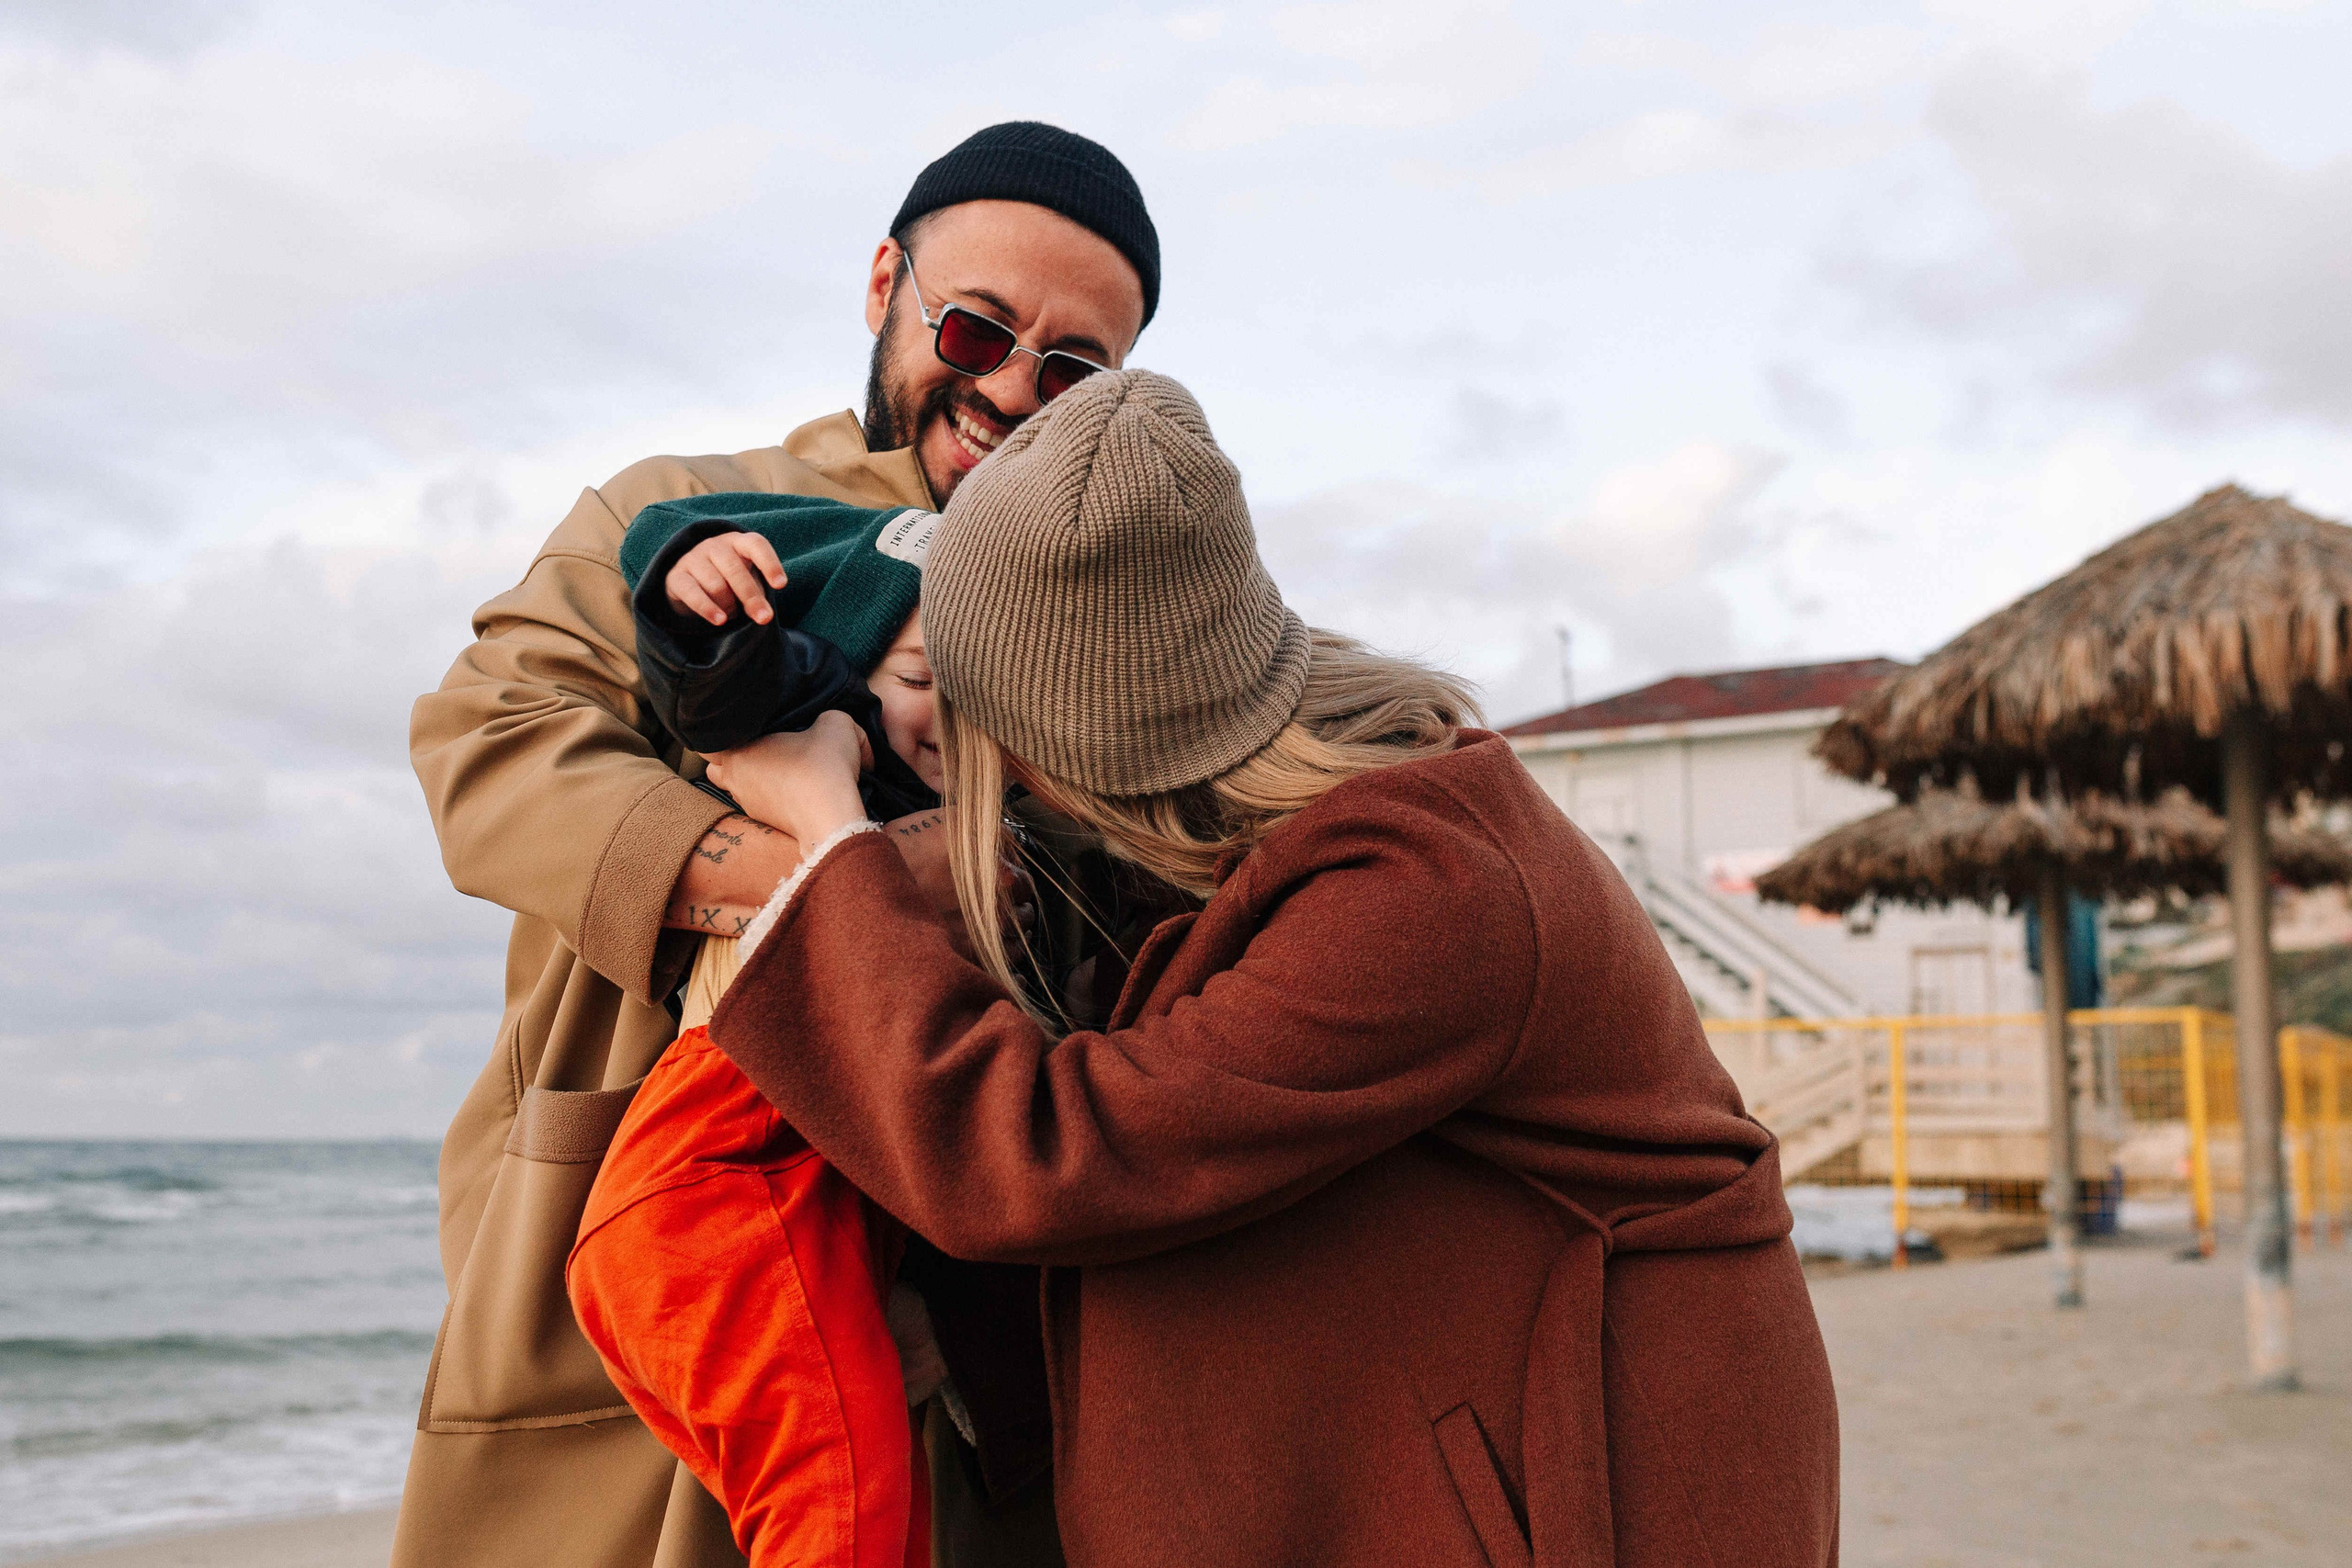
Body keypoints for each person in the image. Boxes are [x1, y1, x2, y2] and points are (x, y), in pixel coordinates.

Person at [696, 370, 1844, 1567]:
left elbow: (1055, 1157)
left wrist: (828, 834)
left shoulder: (1430, 887)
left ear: (1075, 743)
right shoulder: (1338, 827)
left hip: (1599, 1491)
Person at [401, 121, 1159, 1568]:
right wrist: (826, 881)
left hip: (976, 1338)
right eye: (976, 328)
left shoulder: (1114, 624)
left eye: (1071, 371)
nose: (1010, 389)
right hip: (644, 1256)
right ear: (884, 284)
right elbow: (490, 743)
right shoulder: (674, 516)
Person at [571, 495, 953, 1568]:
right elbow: (727, 685)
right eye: (919, 679)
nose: (948, 719)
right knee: (845, 1516)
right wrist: (699, 593)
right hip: (725, 1180)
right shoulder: (828, 727)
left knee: (872, 1519)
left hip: (765, 1206)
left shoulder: (979, 799)